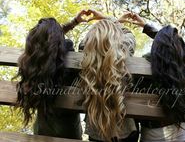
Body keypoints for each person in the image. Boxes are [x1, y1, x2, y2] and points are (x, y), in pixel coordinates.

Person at [119, 13, 185, 142]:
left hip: (151, 137)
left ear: (155, 48)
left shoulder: (142, 68)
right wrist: (147, 26)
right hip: (184, 136)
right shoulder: (183, 65)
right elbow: (174, 45)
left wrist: (117, 22)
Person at [13, 11, 88, 139]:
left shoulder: (32, 61)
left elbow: (46, 42)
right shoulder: (66, 49)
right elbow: (54, 42)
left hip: (42, 128)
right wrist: (73, 23)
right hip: (68, 129)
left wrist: (73, 23)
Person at [78, 16, 138, 142]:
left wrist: (99, 26)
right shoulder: (124, 50)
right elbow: (128, 34)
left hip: (96, 129)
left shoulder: (85, 53)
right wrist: (114, 21)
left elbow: (84, 42)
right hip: (124, 130)